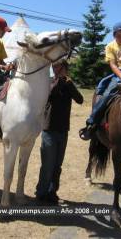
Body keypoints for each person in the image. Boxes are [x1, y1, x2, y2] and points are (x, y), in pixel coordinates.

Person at [35, 60, 84, 203]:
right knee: (47, 165)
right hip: (49, 129)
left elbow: (80, 99)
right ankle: (41, 193)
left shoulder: (68, 83)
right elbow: (50, 94)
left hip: (63, 130)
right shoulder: (49, 82)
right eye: (54, 66)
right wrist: (59, 81)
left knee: (57, 165)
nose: (54, 68)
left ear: (64, 68)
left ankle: (52, 192)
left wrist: (69, 84)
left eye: (57, 66)